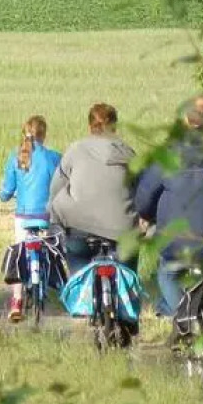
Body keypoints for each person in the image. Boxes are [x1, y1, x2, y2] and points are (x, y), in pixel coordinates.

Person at [133, 95, 203, 320]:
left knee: (168, 273)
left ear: (187, 120)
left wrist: (145, 215)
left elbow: (146, 195)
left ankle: (182, 319)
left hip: (176, 242)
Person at [49, 102, 137, 276]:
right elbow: (143, 189)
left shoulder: (75, 149)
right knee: (128, 277)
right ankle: (128, 299)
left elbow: (55, 187)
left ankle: (80, 298)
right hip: (122, 230)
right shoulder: (128, 153)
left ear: (90, 126)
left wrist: (53, 213)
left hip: (78, 227)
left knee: (79, 276)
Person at [0, 115, 63, 322]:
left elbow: (7, 190)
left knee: (19, 254)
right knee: (54, 250)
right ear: (44, 135)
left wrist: (4, 196)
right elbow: (62, 185)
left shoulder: (15, 157)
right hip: (47, 214)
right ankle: (55, 285)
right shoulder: (54, 157)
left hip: (24, 216)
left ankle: (16, 300)